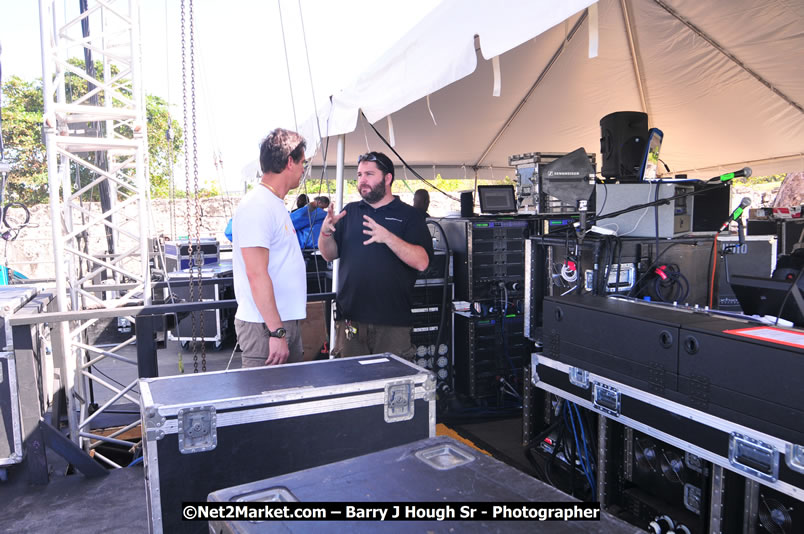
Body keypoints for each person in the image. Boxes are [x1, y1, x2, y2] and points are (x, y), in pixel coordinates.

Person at [319, 152, 433, 359]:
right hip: (350, 321)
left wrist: (388, 237)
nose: (362, 180)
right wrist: (325, 232)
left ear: (387, 178)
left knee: (392, 386)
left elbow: (422, 262)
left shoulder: (409, 216)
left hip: (392, 323)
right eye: (360, 174)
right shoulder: (350, 212)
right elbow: (329, 255)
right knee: (352, 386)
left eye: (369, 174)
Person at [232, 128, 307, 367]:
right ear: (289, 163)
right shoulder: (257, 205)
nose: (304, 169)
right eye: (302, 162)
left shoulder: (272, 203)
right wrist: (276, 332)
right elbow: (256, 273)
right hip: (266, 329)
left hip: (279, 324)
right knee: (264, 402)